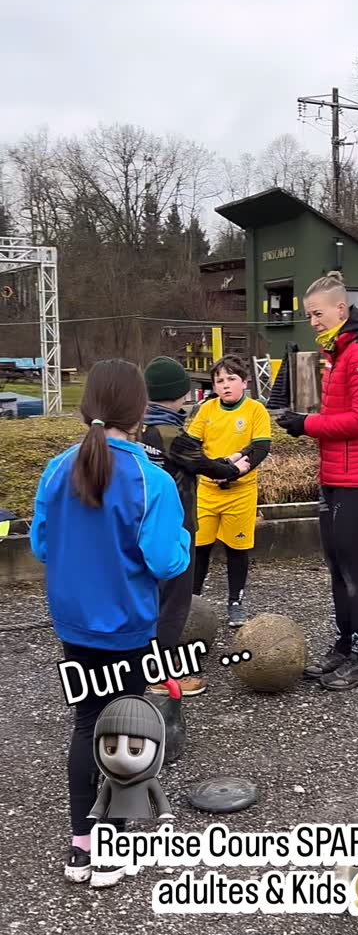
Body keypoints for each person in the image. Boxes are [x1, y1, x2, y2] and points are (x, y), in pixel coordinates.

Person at [30, 359, 191, 888]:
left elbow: (40, 545)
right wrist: (185, 541)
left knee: (86, 724)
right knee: (127, 725)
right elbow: (167, 562)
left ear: (86, 406)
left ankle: (81, 847)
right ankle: (117, 846)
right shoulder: (153, 479)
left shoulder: (57, 469)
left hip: (73, 624)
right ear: (141, 410)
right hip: (127, 626)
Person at [277, 272, 358, 691]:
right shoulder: (341, 351)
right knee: (336, 567)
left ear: (341, 310)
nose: (313, 322)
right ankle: (344, 647)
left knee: (352, 570)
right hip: (335, 474)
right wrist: (306, 422)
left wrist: (307, 424)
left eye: (318, 313)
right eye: (308, 315)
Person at [140, 356, 250, 696]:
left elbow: (193, 457)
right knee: (174, 603)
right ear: (180, 393)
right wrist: (236, 467)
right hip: (175, 527)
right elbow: (203, 464)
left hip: (145, 525)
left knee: (150, 600)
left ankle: (141, 663)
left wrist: (219, 461)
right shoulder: (172, 431)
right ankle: (162, 675)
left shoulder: (142, 427)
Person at [189, 355, 271, 626]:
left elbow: (260, 449)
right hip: (207, 492)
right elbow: (191, 445)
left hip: (240, 492)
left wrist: (235, 471)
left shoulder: (255, 411)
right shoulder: (207, 410)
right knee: (199, 547)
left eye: (231, 379)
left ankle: (235, 601)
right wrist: (211, 469)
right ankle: (192, 600)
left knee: (237, 548)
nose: (225, 385)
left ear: (245, 382)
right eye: (219, 381)